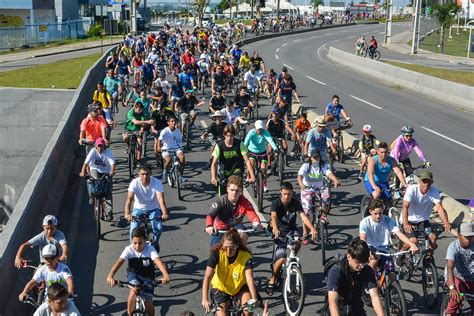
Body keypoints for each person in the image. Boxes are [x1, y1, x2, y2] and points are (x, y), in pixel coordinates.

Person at [266, 182, 317, 295]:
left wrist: (312, 229)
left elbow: (303, 216)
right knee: (280, 257)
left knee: (298, 242)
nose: (287, 197)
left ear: (292, 193)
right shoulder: (276, 203)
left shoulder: (296, 203)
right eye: (284, 194)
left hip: (292, 230)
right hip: (279, 231)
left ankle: (292, 256)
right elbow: (273, 216)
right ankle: (273, 279)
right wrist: (275, 229)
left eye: (289, 194)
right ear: (281, 193)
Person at [107, 227, 170, 316]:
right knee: (134, 290)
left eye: (140, 243)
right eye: (135, 243)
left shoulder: (150, 249)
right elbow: (119, 262)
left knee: (148, 304)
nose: (137, 246)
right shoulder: (129, 249)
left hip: (148, 277)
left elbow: (158, 261)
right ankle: (129, 314)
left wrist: (165, 275)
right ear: (131, 241)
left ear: (145, 240)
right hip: (134, 275)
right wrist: (111, 275)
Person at [201, 229, 259, 315]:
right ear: (222, 244)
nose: (228, 251)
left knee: (248, 311)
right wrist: (204, 299)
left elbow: (249, 278)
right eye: (225, 248)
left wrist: (254, 299)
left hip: (240, 288)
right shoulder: (216, 253)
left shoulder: (246, 256)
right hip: (221, 288)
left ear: (237, 246)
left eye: (232, 248)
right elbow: (208, 276)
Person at [326, 239, 384, 316]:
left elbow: (375, 296)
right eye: (358, 262)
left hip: (356, 309)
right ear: (349, 257)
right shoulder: (336, 271)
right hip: (339, 309)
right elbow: (333, 301)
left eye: (364, 262)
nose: (361, 266)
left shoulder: (367, 270)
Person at [359, 198, 418, 273]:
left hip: (384, 250)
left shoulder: (388, 220)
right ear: (370, 211)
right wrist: (367, 251)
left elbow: (399, 234)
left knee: (391, 272)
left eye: (380, 213)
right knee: (373, 263)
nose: (378, 216)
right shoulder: (364, 222)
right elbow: (363, 238)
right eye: (375, 213)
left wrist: (412, 244)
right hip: (371, 249)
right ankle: (372, 282)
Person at [400, 170, 451, 253]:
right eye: (424, 181)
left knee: (433, 238)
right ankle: (400, 255)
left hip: (423, 221)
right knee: (412, 241)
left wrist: (446, 223)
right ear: (420, 181)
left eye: (429, 182)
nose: (426, 184)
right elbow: (405, 207)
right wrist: (406, 223)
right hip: (408, 220)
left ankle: (428, 257)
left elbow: (439, 208)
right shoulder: (412, 189)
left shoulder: (434, 191)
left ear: (432, 182)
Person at [205, 176, 262, 246]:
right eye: (232, 190)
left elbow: (253, 216)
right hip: (221, 228)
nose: (234, 193)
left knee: (243, 236)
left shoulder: (245, 202)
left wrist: (257, 223)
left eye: (237, 190)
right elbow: (210, 215)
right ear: (227, 189)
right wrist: (209, 226)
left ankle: (241, 253)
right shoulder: (220, 202)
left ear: (241, 191)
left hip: (236, 226)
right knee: (214, 250)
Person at [124, 164, 169, 251]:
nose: (145, 176)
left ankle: (155, 243)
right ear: (139, 174)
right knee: (133, 231)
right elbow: (129, 200)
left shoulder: (157, 182)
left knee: (158, 228)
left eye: (147, 174)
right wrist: (127, 213)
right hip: (138, 209)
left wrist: (164, 213)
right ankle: (133, 251)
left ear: (151, 173)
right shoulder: (134, 183)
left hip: (153, 209)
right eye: (142, 174)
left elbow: (161, 200)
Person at [297, 151, 340, 236]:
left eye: (318, 157)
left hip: (319, 188)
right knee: (306, 211)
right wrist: (301, 184)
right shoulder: (306, 166)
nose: (316, 160)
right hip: (307, 189)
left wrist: (335, 180)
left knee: (327, 199)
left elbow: (329, 173)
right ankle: (305, 232)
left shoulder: (323, 165)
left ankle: (323, 214)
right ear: (310, 158)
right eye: (314, 158)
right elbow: (300, 176)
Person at [79, 137, 116, 220]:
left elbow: (112, 163)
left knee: (108, 192)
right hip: (94, 169)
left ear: (104, 146)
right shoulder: (93, 151)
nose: (100, 148)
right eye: (98, 146)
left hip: (106, 171)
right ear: (96, 146)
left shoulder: (108, 152)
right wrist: (82, 171)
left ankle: (109, 212)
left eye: (101, 146)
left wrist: (112, 172)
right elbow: (86, 162)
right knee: (92, 181)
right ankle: (91, 196)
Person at [210, 125, 255, 191]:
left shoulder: (240, 144)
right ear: (224, 135)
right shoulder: (219, 146)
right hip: (224, 172)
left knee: (236, 190)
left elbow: (247, 161)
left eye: (231, 136)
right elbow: (214, 163)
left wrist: (252, 176)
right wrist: (213, 177)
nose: (229, 138)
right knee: (222, 196)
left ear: (234, 135)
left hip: (237, 170)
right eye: (227, 136)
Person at [444, 222, 474, 315]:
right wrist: (452, 288)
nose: (469, 240)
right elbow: (450, 268)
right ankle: (449, 313)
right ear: (458, 235)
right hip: (455, 277)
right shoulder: (453, 247)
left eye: (471, 236)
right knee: (459, 296)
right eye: (466, 237)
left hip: (470, 279)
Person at [364, 142, 406, 208]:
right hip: (371, 181)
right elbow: (370, 174)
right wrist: (374, 186)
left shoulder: (391, 160)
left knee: (389, 201)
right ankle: (369, 211)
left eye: (386, 152)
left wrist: (405, 184)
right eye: (382, 152)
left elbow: (398, 172)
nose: (384, 154)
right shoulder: (373, 160)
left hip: (383, 182)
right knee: (376, 194)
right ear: (377, 152)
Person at [244, 120, 278, 193]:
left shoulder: (265, 132)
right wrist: (243, 150)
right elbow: (245, 143)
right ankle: (248, 176)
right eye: (259, 129)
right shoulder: (251, 132)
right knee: (251, 164)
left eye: (261, 129)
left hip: (262, 153)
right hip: (252, 152)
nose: (260, 130)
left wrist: (275, 149)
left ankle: (264, 185)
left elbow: (270, 140)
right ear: (255, 128)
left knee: (264, 169)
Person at [157, 116, 186, 183]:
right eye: (172, 121)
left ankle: (180, 176)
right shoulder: (165, 131)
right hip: (166, 149)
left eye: (175, 121)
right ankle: (165, 173)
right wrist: (158, 147)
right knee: (168, 160)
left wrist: (181, 148)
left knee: (182, 157)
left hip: (176, 148)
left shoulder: (178, 131)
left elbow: (179, 141)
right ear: (168, 123)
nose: (174, 122)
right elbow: (159, 139)